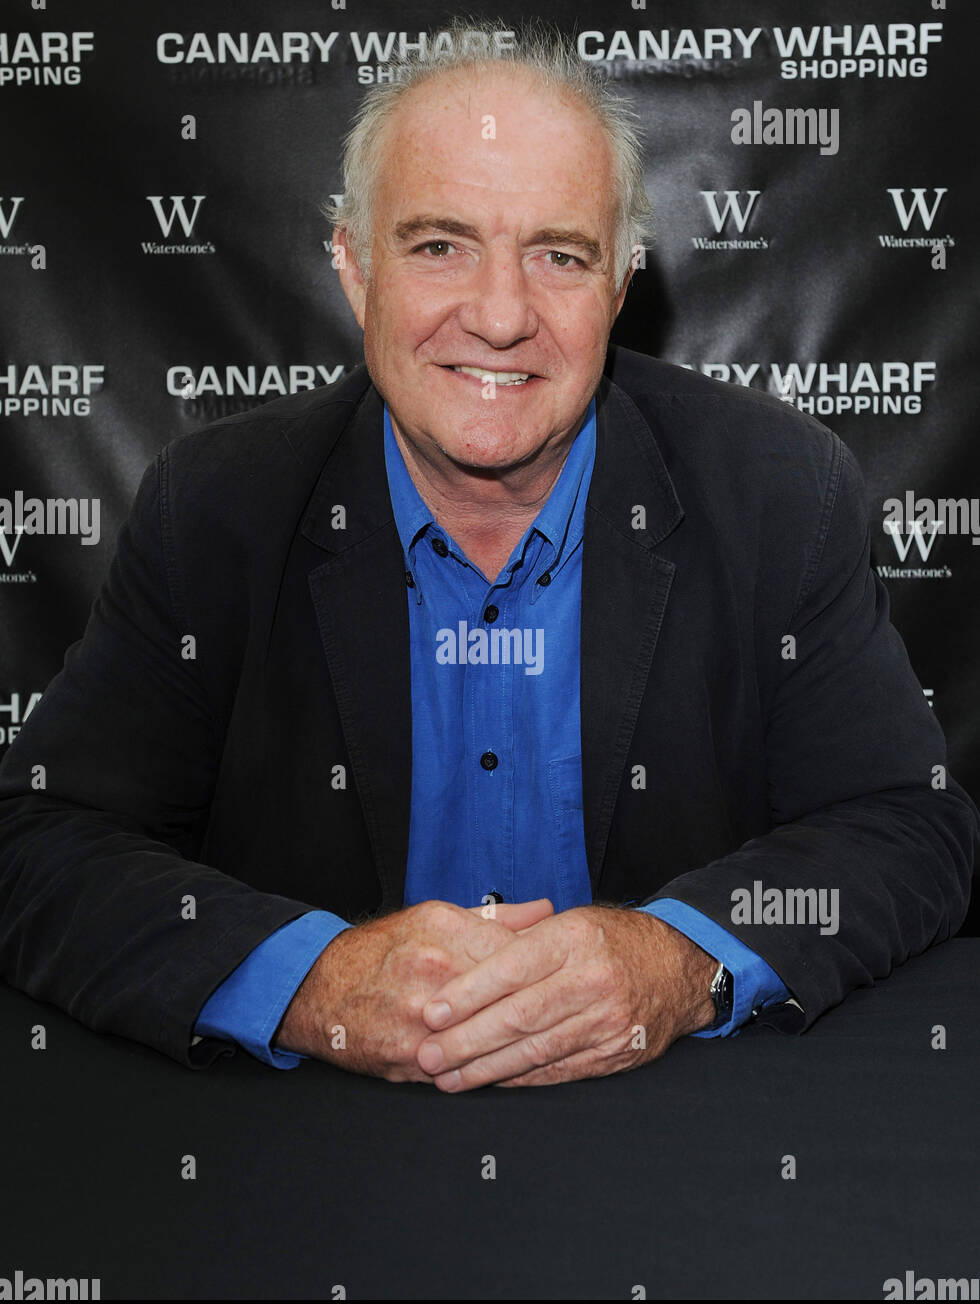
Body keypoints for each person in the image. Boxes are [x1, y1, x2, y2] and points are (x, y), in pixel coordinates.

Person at [0, 23, 976, 1092]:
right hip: (304, 1169)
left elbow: (905, 824)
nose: (501, 315)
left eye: (559, 255)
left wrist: (676, 958)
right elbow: (42, 841)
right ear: (352, 267)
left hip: (672, 1146)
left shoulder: (780, 493)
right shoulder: (217, 510)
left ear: (616, 285)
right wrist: (314, 980)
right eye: (438, 246)